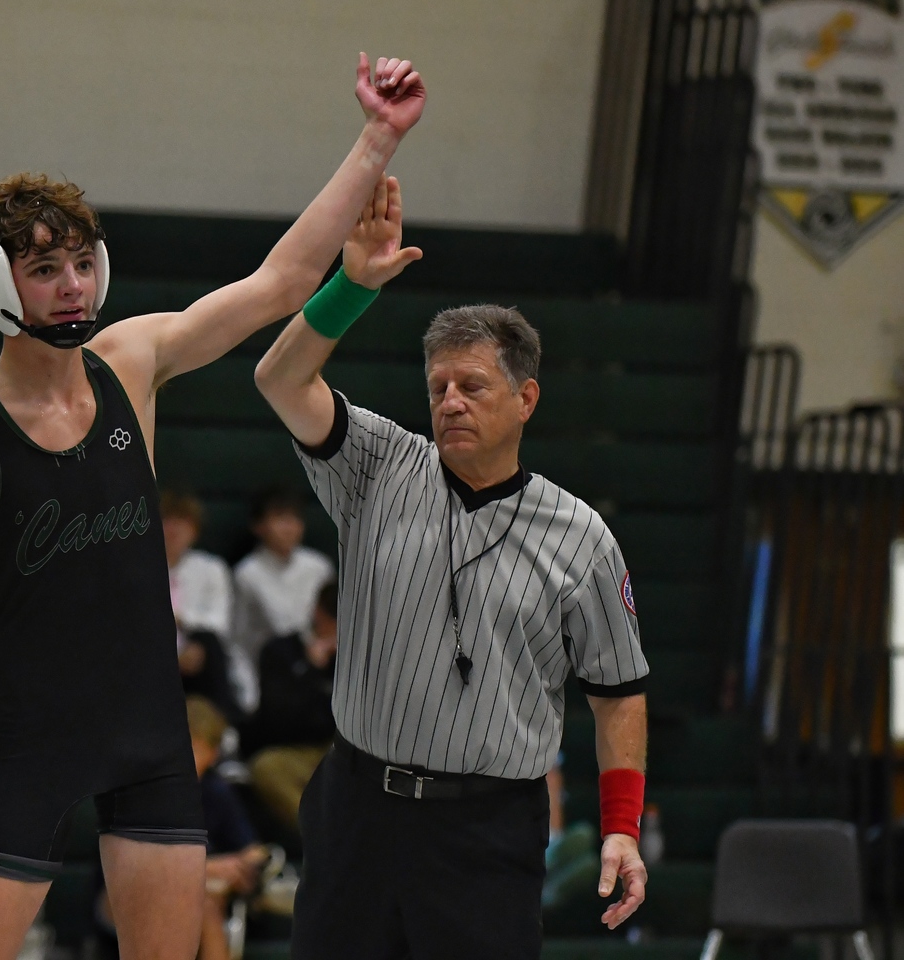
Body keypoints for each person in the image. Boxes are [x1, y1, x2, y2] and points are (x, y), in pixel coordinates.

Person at [0, 53, 427, 960]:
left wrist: (376, 138)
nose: (71, 284)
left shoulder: (133, 364)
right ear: (0, 285)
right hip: (34, 744)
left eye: (81, 262)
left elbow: (276, 286)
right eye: (46, 270)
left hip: (152, 738)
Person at [252, 173, 650, 958]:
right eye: (439, 387)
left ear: (526, 398)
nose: (451, 402)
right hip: (357, 806)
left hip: (487, 824)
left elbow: (618, 694)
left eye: (473, 385)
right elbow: (279, 377)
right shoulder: (376, 465)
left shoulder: (582, 536)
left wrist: (622, 827)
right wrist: (352, 285)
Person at [245, 579, 337, 834]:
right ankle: (323, 840)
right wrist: (310, 671)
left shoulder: (358, 655)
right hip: (294, 752)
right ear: (317, 612)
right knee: (266, 767)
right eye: (333, 619)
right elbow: (279, 719)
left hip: (340, 750)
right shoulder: (280, 651)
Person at [187, 695, 269, 960]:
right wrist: (209, 868)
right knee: (200, 899)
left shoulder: (216, 792)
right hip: (124, 896)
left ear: (212, 754)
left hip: (197, 898)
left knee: (205, 900)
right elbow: (144, 865)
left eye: (197, 751)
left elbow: (255, 850)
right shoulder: (147, 793)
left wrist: (241, 865)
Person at [231, 484, 334, 675]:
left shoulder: (319, 566)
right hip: (270, 671)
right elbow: (239, 640)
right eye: (280, 518)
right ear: (258, 526)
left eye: (295, 518)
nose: (289, 527)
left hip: (320, 667)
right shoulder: (247, 574)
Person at [164, 490, 245, 721]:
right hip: (154, 655)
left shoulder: (211, 568)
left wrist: (182, 619)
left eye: (183, 522)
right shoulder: (138, 567)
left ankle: (221, 732)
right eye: (168, 520)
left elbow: (219, 622)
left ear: (195, 530)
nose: (174, 530)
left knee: (209, 642)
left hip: (196, 653)